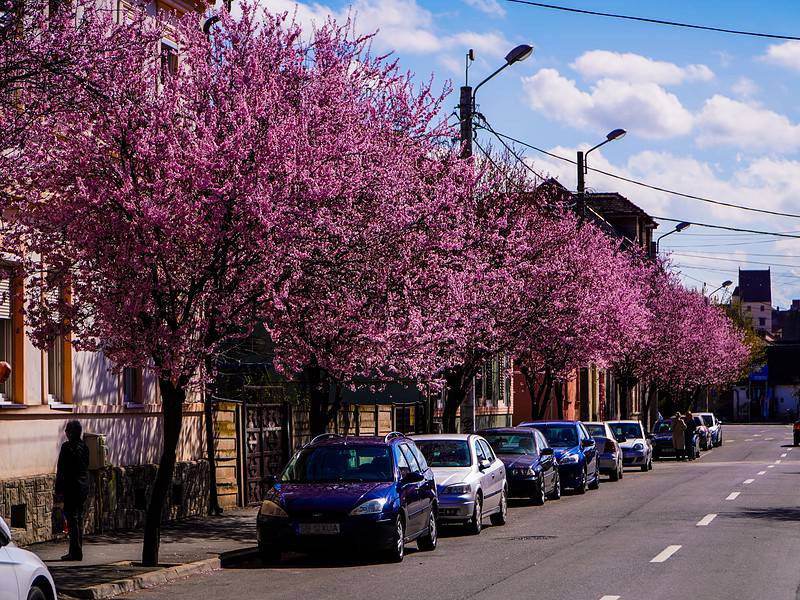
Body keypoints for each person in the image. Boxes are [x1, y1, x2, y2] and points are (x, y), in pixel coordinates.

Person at [55, 420, 90, 561]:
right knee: (79, 519)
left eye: (67, 431)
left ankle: (75, 552)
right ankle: (77, 550)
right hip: (82, 488)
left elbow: (61, 470)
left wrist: (58, 489)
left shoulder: (67, 448)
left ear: (71, 433)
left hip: (71, 488)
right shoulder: (84, 447)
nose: (66, 433)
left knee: (72, 520)